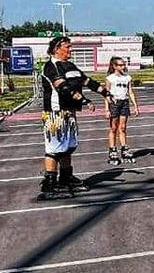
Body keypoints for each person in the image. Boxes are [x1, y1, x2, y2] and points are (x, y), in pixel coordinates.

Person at [38, 36, 114, 199]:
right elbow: (63, 87)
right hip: (55, 113)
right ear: (57, 49)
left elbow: (88, 81)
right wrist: (85, 100)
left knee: (69, 147)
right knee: (54, 150)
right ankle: (49, 185)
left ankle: (66, 179)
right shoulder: (51, 66)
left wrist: (106, 93)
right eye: (67, 47)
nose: (71, 49)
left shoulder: (71, 65)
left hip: (70, 113)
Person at [104, 56, 139, 165]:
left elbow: (130, 92)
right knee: (113, 128)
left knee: (122, 128)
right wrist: (107, 109)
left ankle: (124, 149)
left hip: (124, 102)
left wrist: (135, 106)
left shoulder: (127, 78)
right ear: (114, 66)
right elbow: (106, 94)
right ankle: (112, 150)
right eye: (120, 65)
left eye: (124, 65)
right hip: (114, 103)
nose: (123, 66)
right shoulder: (110, 78)